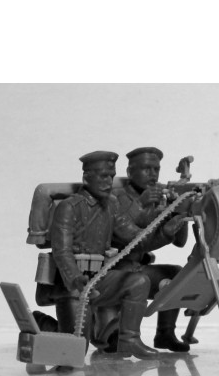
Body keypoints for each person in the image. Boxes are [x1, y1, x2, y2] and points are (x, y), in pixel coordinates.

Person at [50, 150, 185, 360]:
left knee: (138, 282)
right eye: (103, 176)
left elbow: (135, 239)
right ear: (86, 177)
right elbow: (62, 251)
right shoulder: (70, 207)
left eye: (111, 177)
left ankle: (129, 340)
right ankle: (40, 324)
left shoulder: (111, 204)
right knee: (74, 352)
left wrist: (165, 234)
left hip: (99, 278)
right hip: (73, 285)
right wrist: (75, 278)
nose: (108, 182)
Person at [112, 146, 190, 352]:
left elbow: (180, 242)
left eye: (156, 169)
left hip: (137, 265)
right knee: (146, 279)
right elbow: (121, 234)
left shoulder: (160, 196)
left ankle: (165, 334)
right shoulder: (117, 197)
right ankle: (123, 336)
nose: (153, 174)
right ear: (130, 172)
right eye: (146, 169)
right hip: (114, 266)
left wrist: (178, 210)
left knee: (177, 274)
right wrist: (141, 203)